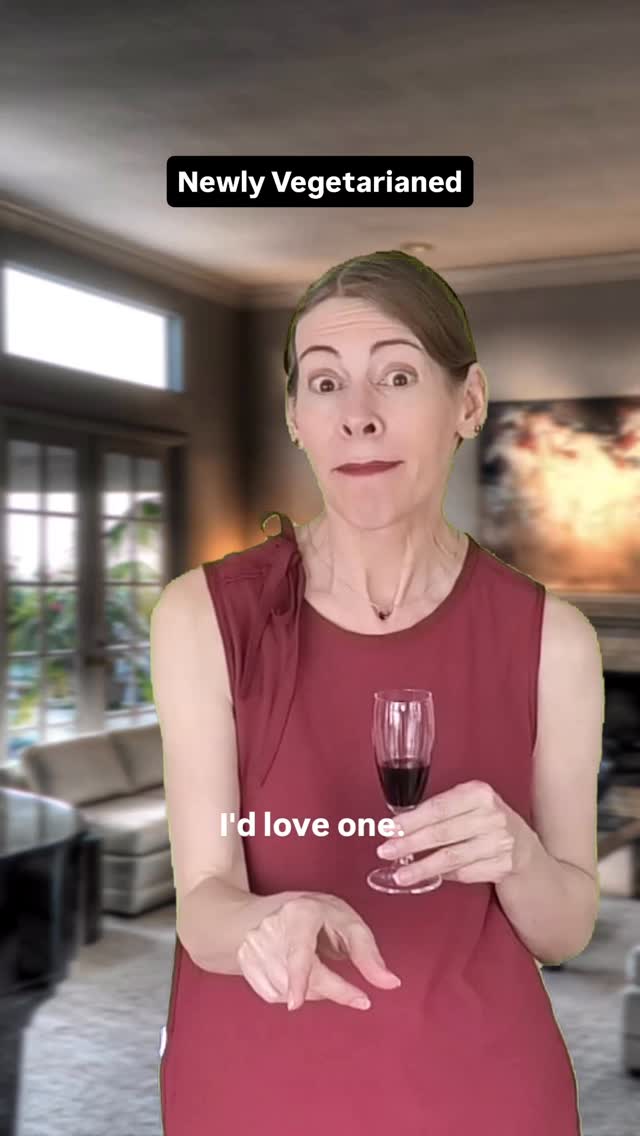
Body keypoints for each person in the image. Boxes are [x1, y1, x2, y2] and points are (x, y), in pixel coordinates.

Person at [151, 250, 603, 1135]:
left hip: (484, 1093)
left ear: (468, 402)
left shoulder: (555, 641)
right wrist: (273, 918)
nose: (358, 415)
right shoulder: (203, 617)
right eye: (325, 384)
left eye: (397, 376)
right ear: (296, 417)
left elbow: (566, 931)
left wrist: (517, 852)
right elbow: (204, 904)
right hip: (250, 1094)